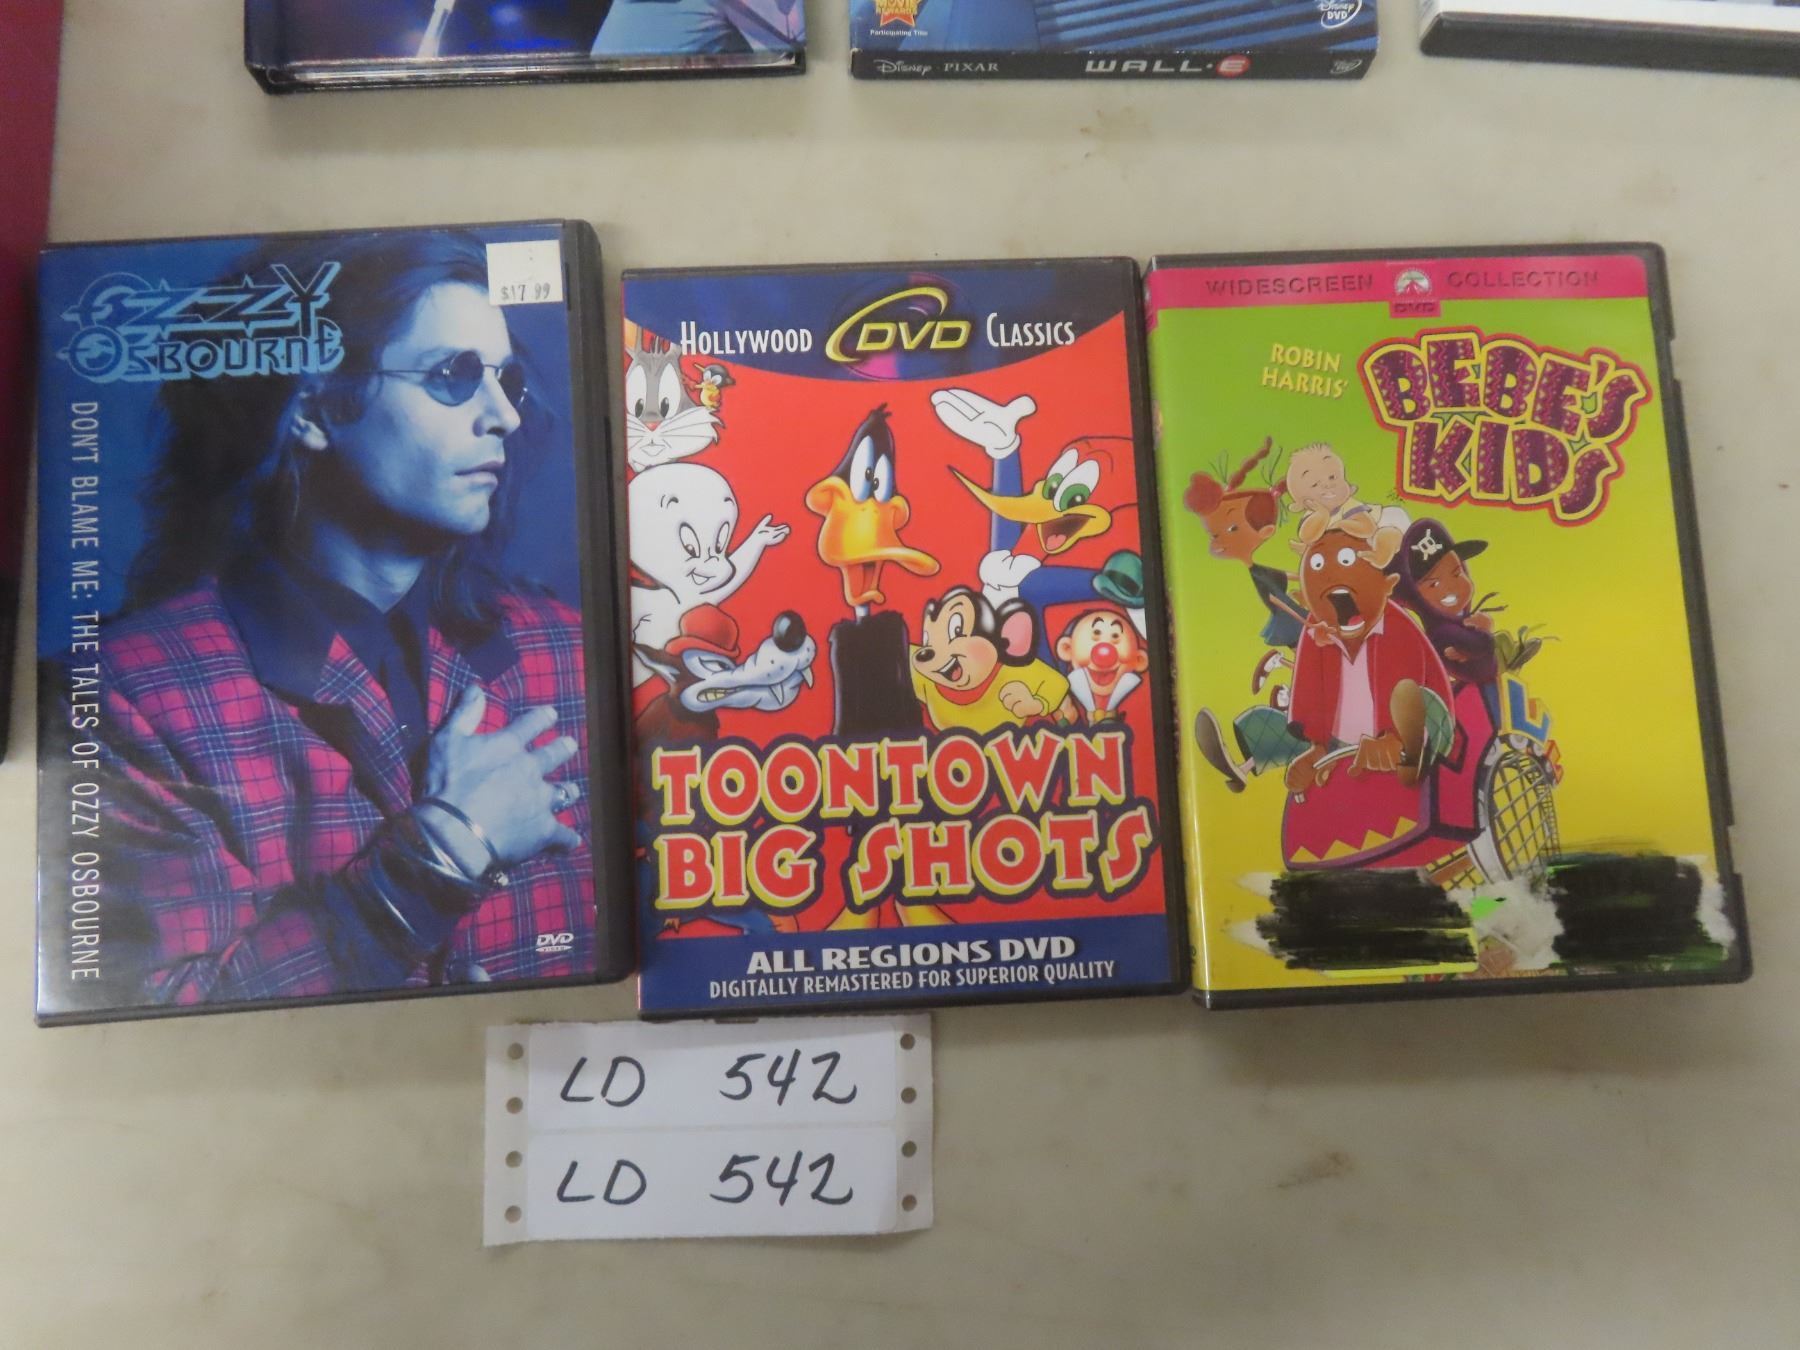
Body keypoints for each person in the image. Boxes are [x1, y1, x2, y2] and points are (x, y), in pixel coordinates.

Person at [95, 231, 594, 1006]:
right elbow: (171, 1018)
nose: (504, 416)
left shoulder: (561, 644)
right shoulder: (132, 696)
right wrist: (445, 849)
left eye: (508, 380)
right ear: (314, 408)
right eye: (454, 376)